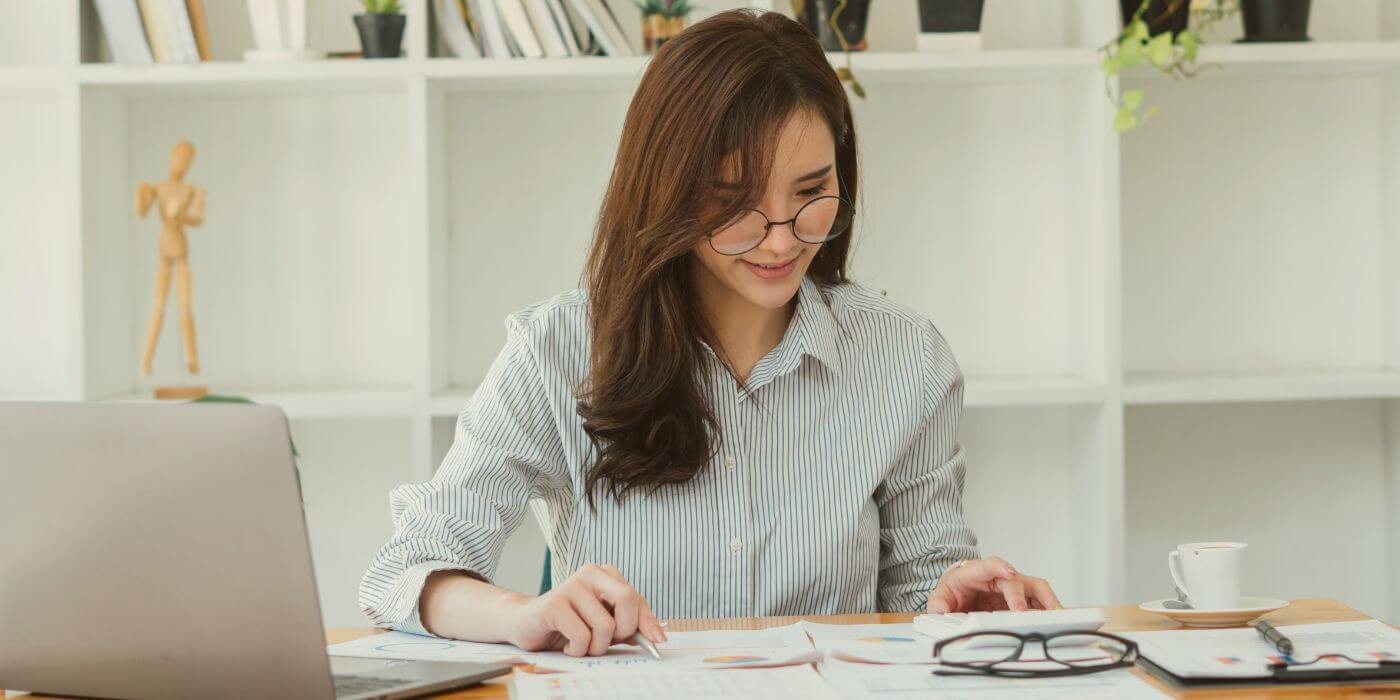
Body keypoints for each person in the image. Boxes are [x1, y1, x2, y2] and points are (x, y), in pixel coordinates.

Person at [360, 9, 1060, 659]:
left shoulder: (905, 358)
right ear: (666, 190)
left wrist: (957, 602)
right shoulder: (557, 351)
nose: (782, 236)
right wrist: (522, 615)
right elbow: (405, 569)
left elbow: (920, 591)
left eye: (811, 191)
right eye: (735, 203)